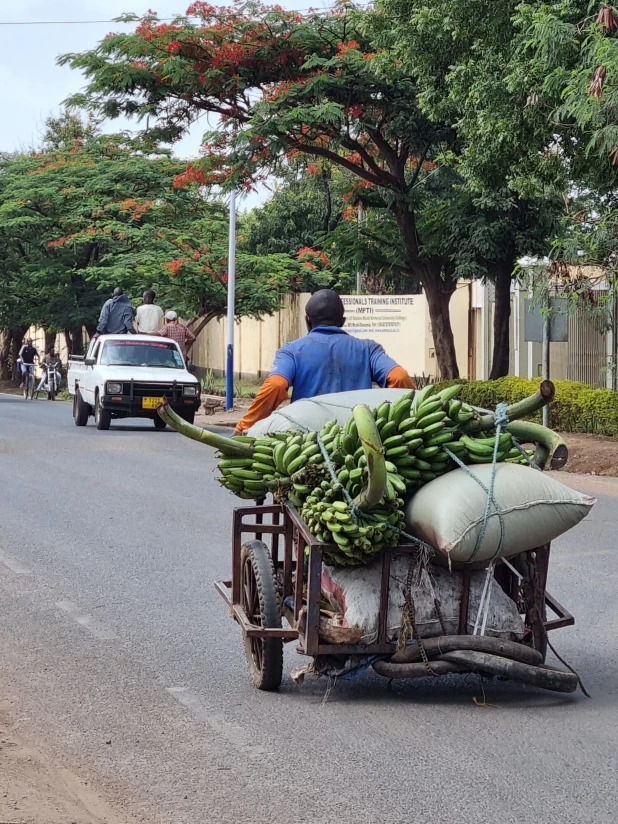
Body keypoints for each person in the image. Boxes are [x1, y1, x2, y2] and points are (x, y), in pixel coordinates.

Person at [235, 289, 415, 434]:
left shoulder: (292, 351)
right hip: (358, 440)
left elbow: (275, 384)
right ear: (342, 321)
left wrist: (245, 427)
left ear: (307, 321)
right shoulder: (368, 349)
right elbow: (399, 377)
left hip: (306, 443)